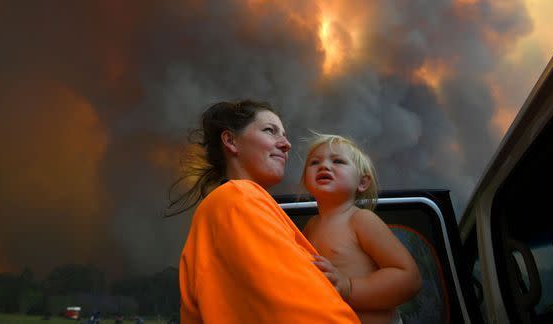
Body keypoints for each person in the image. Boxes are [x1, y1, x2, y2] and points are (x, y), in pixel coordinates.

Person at [174, 100, 359, 323]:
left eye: (284, 134)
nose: (286, 144)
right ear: (231, 141)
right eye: (270, 131)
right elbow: (300, 310)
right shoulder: (239, 198)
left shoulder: (228, 203)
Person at [301, 133, 422, 324]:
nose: (324, 165)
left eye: (338, 161)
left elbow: (409, 278)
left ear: (362, 182)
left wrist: (349, 287)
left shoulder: (361, 220)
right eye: (314, 162)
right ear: (305, 180)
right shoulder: (310, 227)